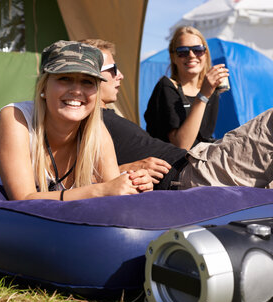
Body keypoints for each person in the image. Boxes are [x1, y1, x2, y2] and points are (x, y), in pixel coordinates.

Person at [82, 38, 273, 190]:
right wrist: (122, 170)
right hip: (189, 170)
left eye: (198, 50)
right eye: (113, 69)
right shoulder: (86, 119)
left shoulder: (106, 116)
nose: (120, 75)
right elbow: (64, 175)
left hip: (199, 158)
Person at [0, 40, 153, 201]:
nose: (76, 91)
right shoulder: (15, 119)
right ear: (43, 87)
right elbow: (23, 199)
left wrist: (134, 184)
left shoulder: (96, 131)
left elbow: (114, 189)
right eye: (65, 78)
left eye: (87, 82)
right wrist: (100, 190)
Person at [144, 26, 229, 150]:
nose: (191, 55)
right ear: (173, 57)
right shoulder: (166, 87)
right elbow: (181, 146)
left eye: (198, 50)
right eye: (183, 51)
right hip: (175, 164)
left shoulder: (210, 89)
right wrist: (203, 97)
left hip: (202, 158)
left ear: (205, 55)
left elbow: (204, 137)